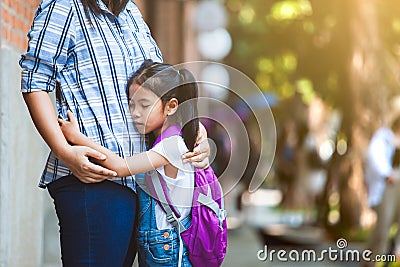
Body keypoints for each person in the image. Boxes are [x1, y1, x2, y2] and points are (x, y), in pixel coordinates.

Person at [19, 1, 209, 266]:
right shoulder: (64, 6)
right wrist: (65, 150)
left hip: (138, 182)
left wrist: (194, 130)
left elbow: (163, 86)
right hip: (91, 178)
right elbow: (35, 81)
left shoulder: (131, 13)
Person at [58, 60, 214, 266]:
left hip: (167, 247)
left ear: (171, 106)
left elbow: (120, 167)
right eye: (132, 104)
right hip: (159, 244)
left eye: (145, 105)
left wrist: (76, 137)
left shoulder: (172, 145)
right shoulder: (166, 139)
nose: (135, 112)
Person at [364, 116, 400, 265]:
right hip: (388, 187)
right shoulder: (384, 137)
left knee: (393, 226)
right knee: (383, 228)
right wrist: (387, 174)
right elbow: (375, 157)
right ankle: (372, 261)